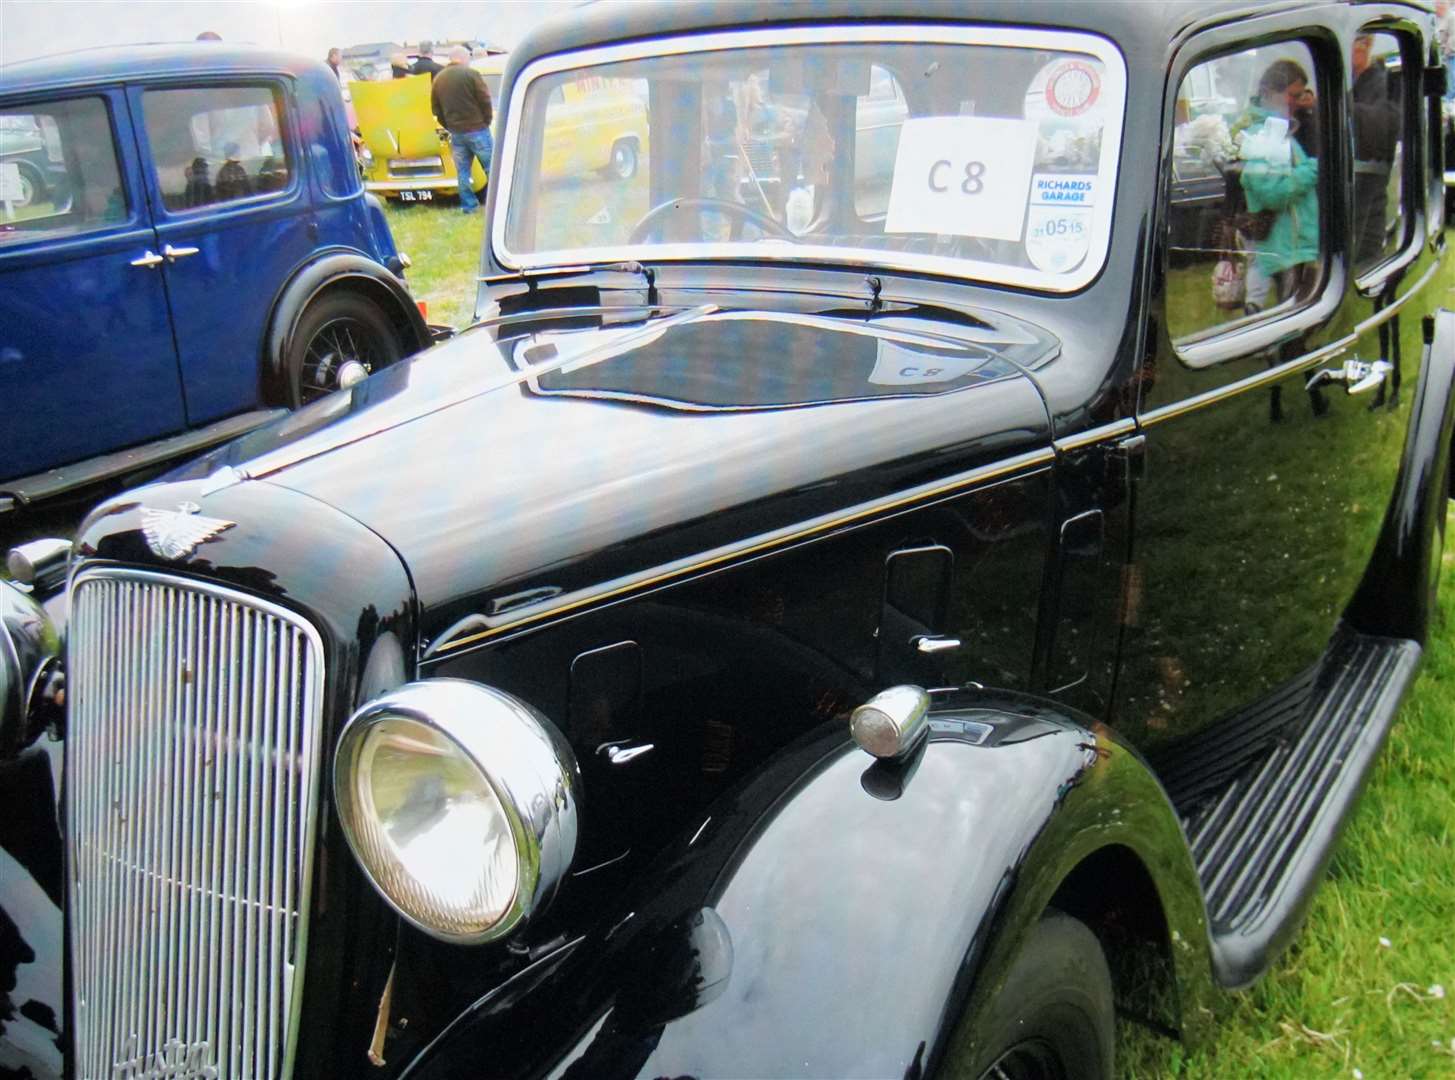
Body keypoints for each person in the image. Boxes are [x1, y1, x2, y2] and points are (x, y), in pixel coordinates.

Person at [1235, 59, 1319, 314]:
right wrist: (1312, 169)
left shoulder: (1281, 130)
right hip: (1283, 246)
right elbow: (1272, 192)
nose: (1297, 102)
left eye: (1301, 95)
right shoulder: (1261, 135)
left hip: (1292, 244)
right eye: (1292, 95)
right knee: (1289, 317)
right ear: (1270, 93)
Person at [1350, 34, 1399, 268]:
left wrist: (1342, 107)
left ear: (1366, 45)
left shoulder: (1383, 83)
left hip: (1370, 183)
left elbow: (1382, 128)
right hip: (1343, 183)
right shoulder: (1347, 81)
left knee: (1366, 255)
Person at [431, 45, 493, 214]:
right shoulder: (471, 74)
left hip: (457, 133)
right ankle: (497, 203)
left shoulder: (439, 79)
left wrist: (449, 125)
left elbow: (436, 108)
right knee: (492, 168)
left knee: (463, 172)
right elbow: (485, 99)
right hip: (477, 128)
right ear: (464, 58)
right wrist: (486, 120)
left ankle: (469, 206)